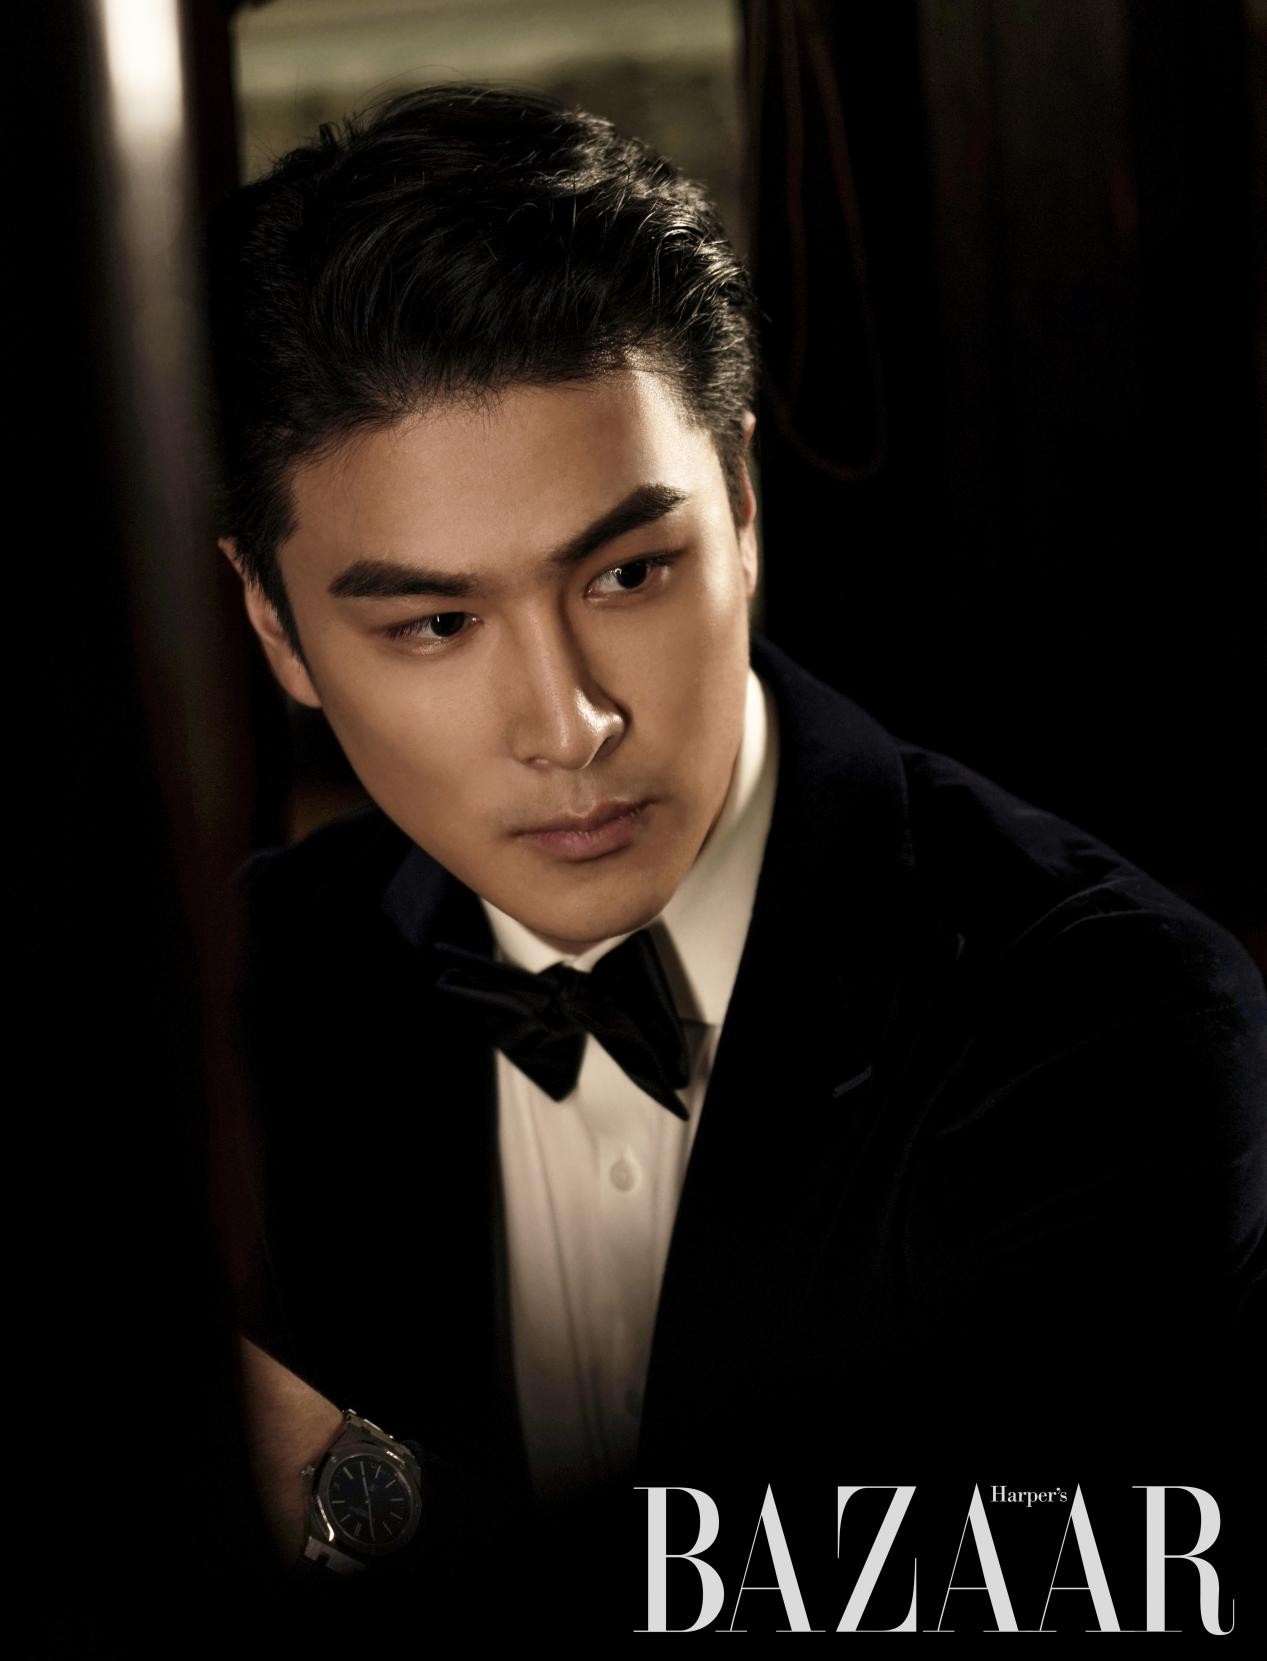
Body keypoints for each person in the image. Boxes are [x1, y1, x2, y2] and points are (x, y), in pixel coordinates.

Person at [207, 84, 1265, 1638]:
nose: (568, 723)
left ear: (746, 510)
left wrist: (343, 1494)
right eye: (435, 622)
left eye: (629, 572)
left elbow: (1004, 1602)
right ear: (277, 628)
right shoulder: (244, 986)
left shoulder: (1113, 1016)